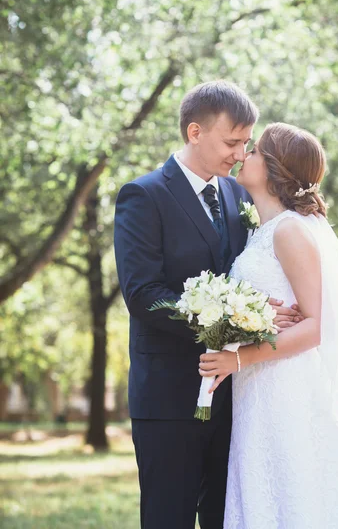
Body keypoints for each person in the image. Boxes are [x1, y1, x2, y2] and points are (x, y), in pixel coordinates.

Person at [114, 83, 301, 529]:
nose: (240, 154)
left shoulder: (240, 197)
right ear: (195, 132)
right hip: (168, 397)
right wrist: (237, 320)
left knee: (229, 518)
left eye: (246, 143)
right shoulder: (144, 195)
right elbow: (142, 293)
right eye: (232, 141)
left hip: (237, 399)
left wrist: (262, 310)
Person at [199, 122, 338, 529]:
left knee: (294, 493)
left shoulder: (291, 231)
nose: (244, 154)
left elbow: (314, 328)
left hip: (286, 385)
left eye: (255, 150)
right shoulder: (263, 232)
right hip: (260, 385)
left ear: (276, 170)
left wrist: (236, 360)